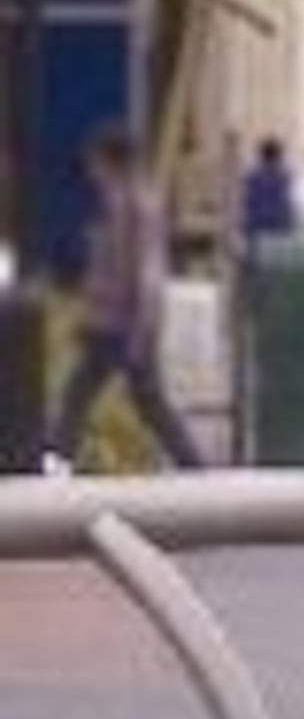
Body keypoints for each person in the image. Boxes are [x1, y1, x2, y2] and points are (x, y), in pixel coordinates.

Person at [50, 124, 204, 472]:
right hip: (113, 321)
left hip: (121, 324)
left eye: (95, 162)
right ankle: (191, 463)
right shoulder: (123, 201)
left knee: (102, 393)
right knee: (110, 393)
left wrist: (141, 326)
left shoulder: (134, 205)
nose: (91, 170)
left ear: (109, 162)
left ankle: (58, 459)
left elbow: (144, 272)